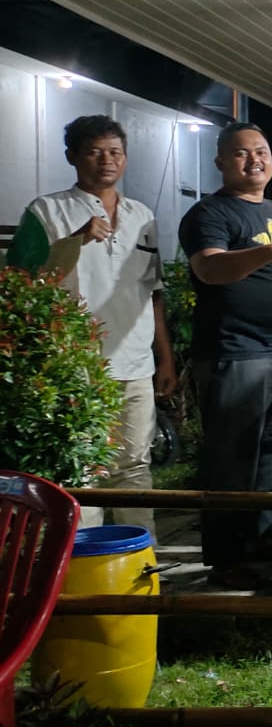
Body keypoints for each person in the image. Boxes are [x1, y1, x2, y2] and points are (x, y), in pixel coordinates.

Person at [10, 115, 179, 539]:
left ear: (125, 158)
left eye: (115, 152)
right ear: (72, 157)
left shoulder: (142, 215)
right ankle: (82, 555)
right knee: (83, 465)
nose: (107, 160)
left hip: (135, 363)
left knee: (135, 465)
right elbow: (21, 281)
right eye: (94, 152)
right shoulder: (46, 210)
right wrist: (76, 240)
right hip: (74, 367)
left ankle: (139, 555)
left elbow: (153, 292)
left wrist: (165, 359)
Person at [178, 122, 272, 589]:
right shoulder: (210, 213)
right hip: (237, 353)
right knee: (232, 462)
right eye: (242, 153)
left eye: (262, 150)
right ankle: (227, 560)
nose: (255, 159)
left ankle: (259, 547)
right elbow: (210, 268)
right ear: (221, 162)